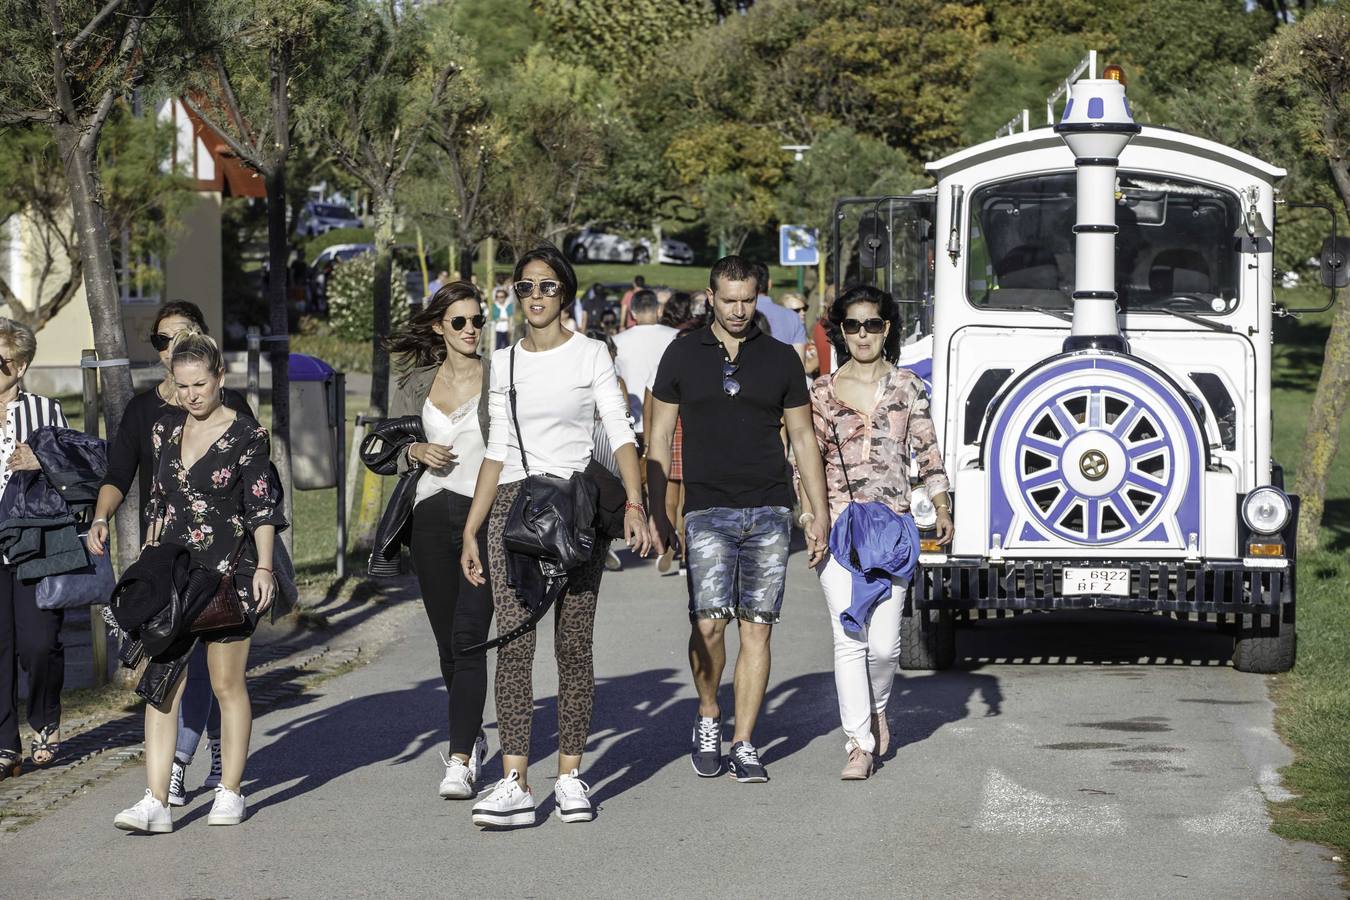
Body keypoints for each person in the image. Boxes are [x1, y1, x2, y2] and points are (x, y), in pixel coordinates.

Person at [460, 244, 653, 828]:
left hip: (575, 510)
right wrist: (473, 527)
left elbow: (620, 432)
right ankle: (515, 781)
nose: (536, 297)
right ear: (514, 296)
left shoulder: (591, 354)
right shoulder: (506, 361)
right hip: (514, 510)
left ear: (564, 293)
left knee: (574, 645)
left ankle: (570, 774)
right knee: (515, 647)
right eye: (525, 287)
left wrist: (637, 503)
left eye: (547, 286)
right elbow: (496, 449)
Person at [646, 255, 829, 783]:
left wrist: (815, 511)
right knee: (708, 623)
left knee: (758, 629)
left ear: (758, 297)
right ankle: (708, 713)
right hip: (705, 509)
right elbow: (659, 438)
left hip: (770, 509)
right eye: (729, 300)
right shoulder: (680, 354)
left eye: (748, 299)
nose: (739, 310)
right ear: (710, 297)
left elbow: (803, 440)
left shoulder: (780, 359)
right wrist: (660, 510)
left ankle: (745, 741)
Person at [113, 330, 285, 834]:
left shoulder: (248, 436)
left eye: (201, 384)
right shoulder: (165, 430)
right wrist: (148, 555)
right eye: (183, 385)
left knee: (226, 683)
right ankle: (156, 801)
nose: (192, 394)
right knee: (161, 685)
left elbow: (263, 509)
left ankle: (229, 791)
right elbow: (160, 499)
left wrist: (266, 568)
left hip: (227, 574)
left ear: (220, 378)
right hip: (172, 575)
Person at [90, 301, 251, 805]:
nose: (172, 347)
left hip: (222, 562)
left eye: (182, 337)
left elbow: (255, 487)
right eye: (162, 340)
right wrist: (100, 516)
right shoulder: (146, 413)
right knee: (171, 671)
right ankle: (171, 776)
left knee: (215, 672)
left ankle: (210, 762)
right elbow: (119, 474)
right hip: (169, 561)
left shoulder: (232, 410)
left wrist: (261, 559)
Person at [802, 285, 952, 780]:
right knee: (850, 638)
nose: (862, 334)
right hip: (839, 526)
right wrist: (811, 519)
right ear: (840, 331)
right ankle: (858, 743)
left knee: (885, 647)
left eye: (872, 324)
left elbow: (927, 452)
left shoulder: (908, 387)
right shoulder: (820, 393)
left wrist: (942, 503)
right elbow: (805, 465)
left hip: (892, 528)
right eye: (852, 325)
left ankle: (878, 706)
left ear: (887, 328)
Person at [385, 282, 496, 800]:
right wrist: (415, 453)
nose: (471, 329)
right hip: (428, 516)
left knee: (471, 634)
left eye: (477, 320)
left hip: (485, 518)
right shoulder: (414, 380)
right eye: (460, 322)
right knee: (447, 639)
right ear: (439, 327)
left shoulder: (502, 377)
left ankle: (459, 759)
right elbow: (391, 443)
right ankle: (469, 731)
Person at [0, 318, 70, 781]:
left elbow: (79, 471)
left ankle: (45, 720)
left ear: (21, 366)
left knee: (38, 643)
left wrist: (42, 460)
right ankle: (6, 745)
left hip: (33, 543)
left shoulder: (45, 411)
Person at [649, 293, 702, 577]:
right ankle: (685, 553)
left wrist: (648, 441)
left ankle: (670, 546)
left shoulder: (667, 370)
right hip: (690, 435)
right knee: (686, 500)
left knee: (670, 499)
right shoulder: (698, 371)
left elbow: (651, 407)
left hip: (671, 435)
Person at [611, 289, 677, 456]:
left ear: (632, 312)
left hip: (632, 425)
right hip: (667, 424)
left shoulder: (617, 342)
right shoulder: (675, 337)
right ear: (659, 310)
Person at [751, 263, 807, 364]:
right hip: (785, 377)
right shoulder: (793, 317)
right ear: (769, 284)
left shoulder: (740, 316)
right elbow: (800, 364)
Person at [779, 292, 818, 376]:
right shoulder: (781, 339)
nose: (803, 313)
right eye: (796, 310)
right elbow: (804, 367)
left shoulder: (806, 334)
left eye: (804, 308)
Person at [490, 285, 515, 351]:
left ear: (505, 297)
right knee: (498, 346)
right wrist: (501, 319)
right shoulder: (495, 306)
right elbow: (493, 317)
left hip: (507, 328)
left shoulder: (509, 305)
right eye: (497, 297)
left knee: (507, 346)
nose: (499, 298)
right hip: (498, 328)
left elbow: (510, 316)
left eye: (501, 297)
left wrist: (510, 327)